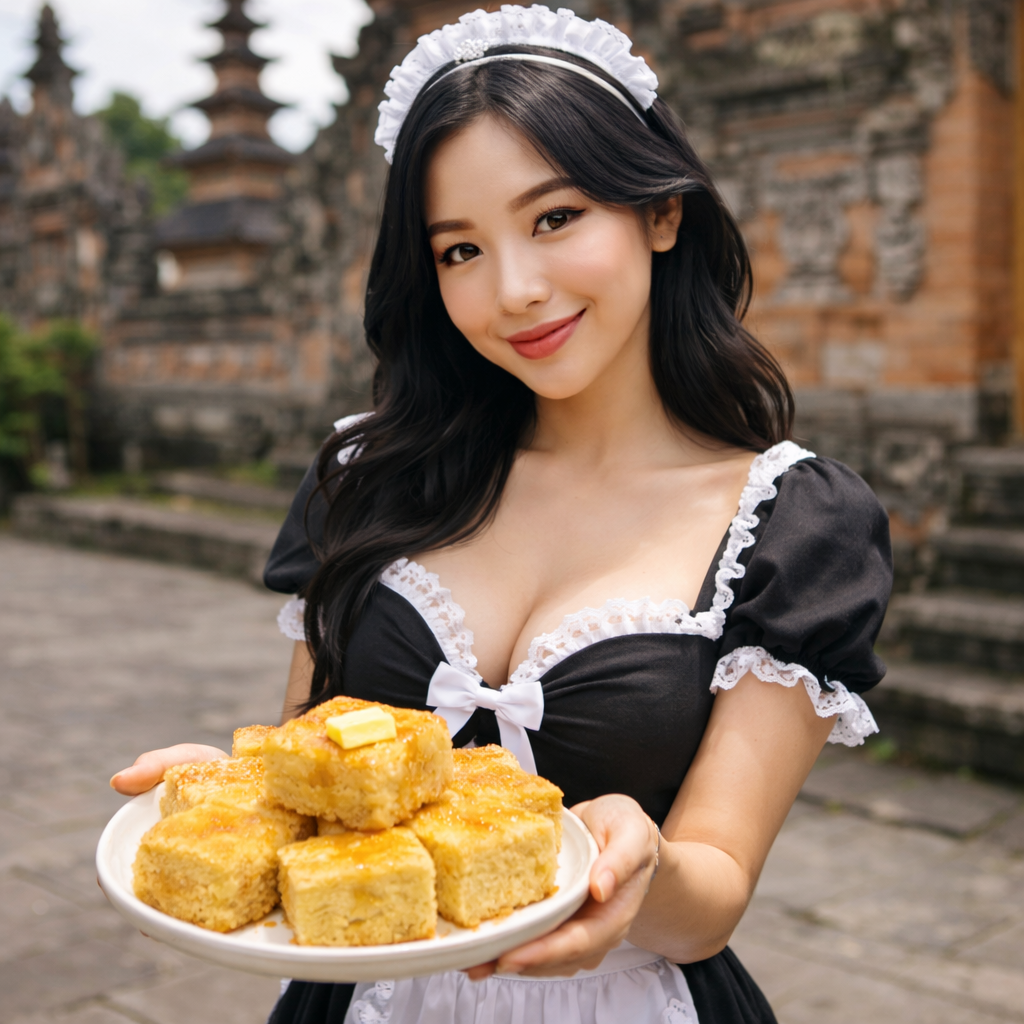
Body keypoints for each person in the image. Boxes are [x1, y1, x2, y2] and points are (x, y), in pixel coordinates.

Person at [111, 7, 893, 1023]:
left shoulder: (793, 525)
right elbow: (310, 754)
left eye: (555, 218)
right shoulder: (368, 474)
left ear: (662, 214)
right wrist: (230, 802)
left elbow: (712, 898)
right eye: (458, 251)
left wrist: (644, 865)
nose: (514, 290)